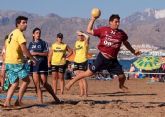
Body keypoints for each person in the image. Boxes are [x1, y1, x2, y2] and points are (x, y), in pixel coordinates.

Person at [65, 14, 141, 91]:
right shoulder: (104, 30)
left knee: (122, 77)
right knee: (88, 73)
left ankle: (121, 86)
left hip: (113, 60)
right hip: (102, 58)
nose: (118, 23)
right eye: (116, 22)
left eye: (118, 22)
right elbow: (89, 30)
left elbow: (126, 43)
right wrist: (93, 19)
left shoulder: (121, 33)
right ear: (110, 22)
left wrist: (133, 51)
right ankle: (71, 82)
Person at [3, 16, 36, 107]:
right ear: (18, 24)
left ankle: (7, 102)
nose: (26, 24)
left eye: (26, 22)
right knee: (26, 80)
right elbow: (24, 49)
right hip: (16, 62)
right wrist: (32, 58)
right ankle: (17, 101)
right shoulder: (19, 34)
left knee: (14, 83)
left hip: (9, 61)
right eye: (23, 22)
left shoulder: (12, 33)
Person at [28, 28, 60, 104]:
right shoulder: (30, 44)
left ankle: (55, 97)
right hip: (34, 65)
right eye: (36, 33)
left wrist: (36, 53)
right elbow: (29, 54)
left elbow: (46, 54)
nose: (38, 34)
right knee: (37, 84)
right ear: (33, 34)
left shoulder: (44, 43)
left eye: (39, 33)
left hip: (42, 65)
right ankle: (40, 102)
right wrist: (29, 58)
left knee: (44, 83)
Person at [73, 31, 89, 97]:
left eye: (81, 35)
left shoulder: (85, 42)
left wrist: (82, 33)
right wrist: (75, 55)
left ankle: (85, 93)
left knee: (83, 77)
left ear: (83, 36)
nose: (79, 36)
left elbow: (88, 37)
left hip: (83, 61)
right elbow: (74, 49)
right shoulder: (76, 42)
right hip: (76, 61)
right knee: (78, 77)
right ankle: (81, 92)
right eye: (78, 35)